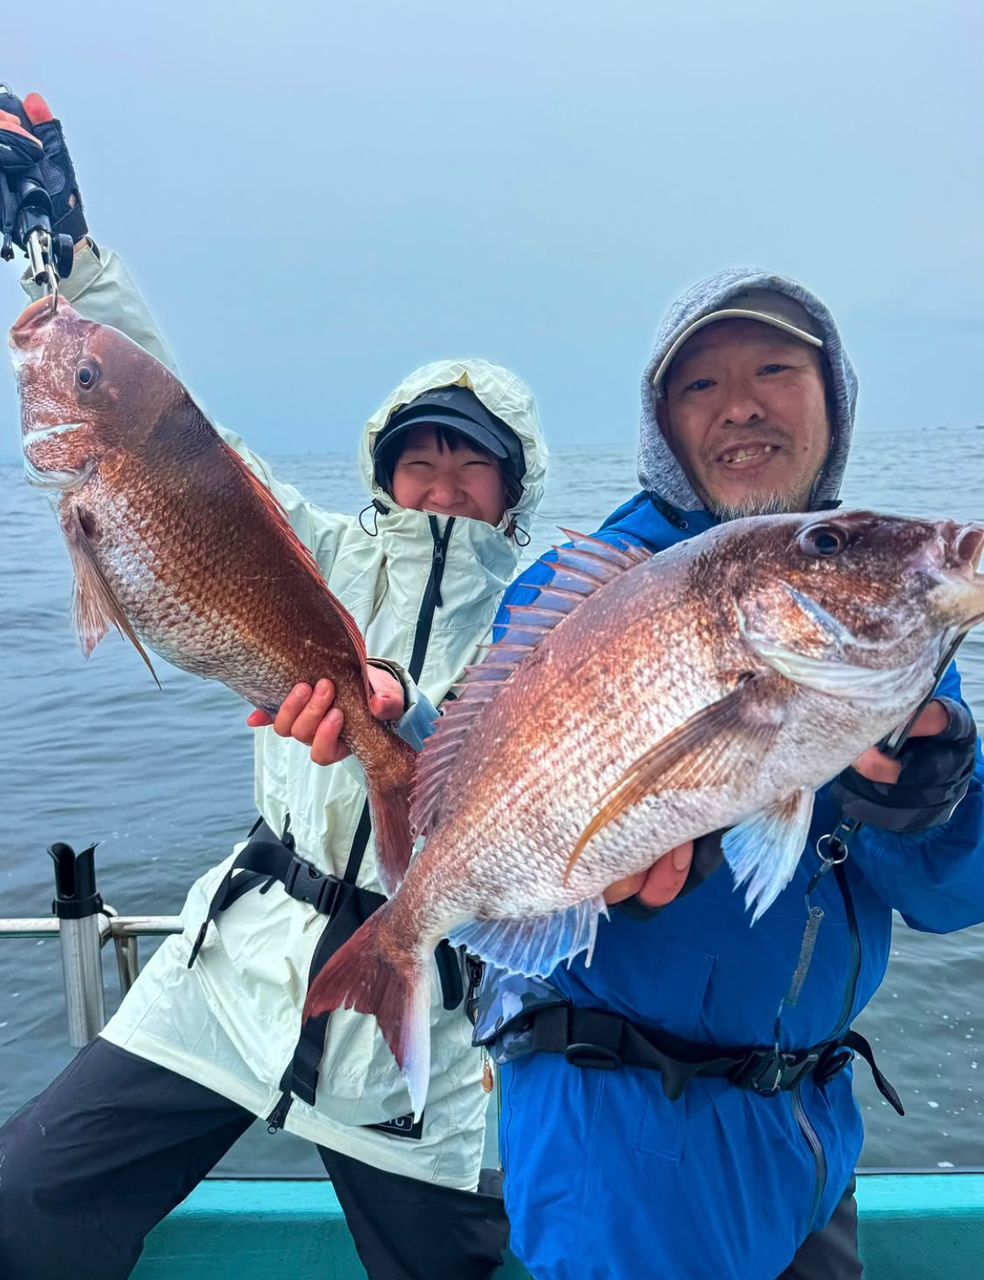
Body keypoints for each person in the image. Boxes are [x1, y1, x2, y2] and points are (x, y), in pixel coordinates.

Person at [0, 90, 548, 1280]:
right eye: (421, 450)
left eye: (473, 459)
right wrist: (76, 265)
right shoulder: (323, 554)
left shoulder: (535, 617)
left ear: (516, 489)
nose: (443, 476)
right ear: (384, 466)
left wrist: (405, 713)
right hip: (231, 972)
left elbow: (532, 754)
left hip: (417, 1013)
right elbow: (182, 449)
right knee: (22, 1199)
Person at [464, 274, 984, 1279]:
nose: (741, 403)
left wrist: (936, 798)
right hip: (623, 1141)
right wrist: (606, 882)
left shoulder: (878, 618)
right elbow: (516, 843)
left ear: (833, 399)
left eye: (777, 368)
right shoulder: (578, 601)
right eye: (700, 383)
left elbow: (952, 896)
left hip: (810, 1131)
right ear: (663, 428)